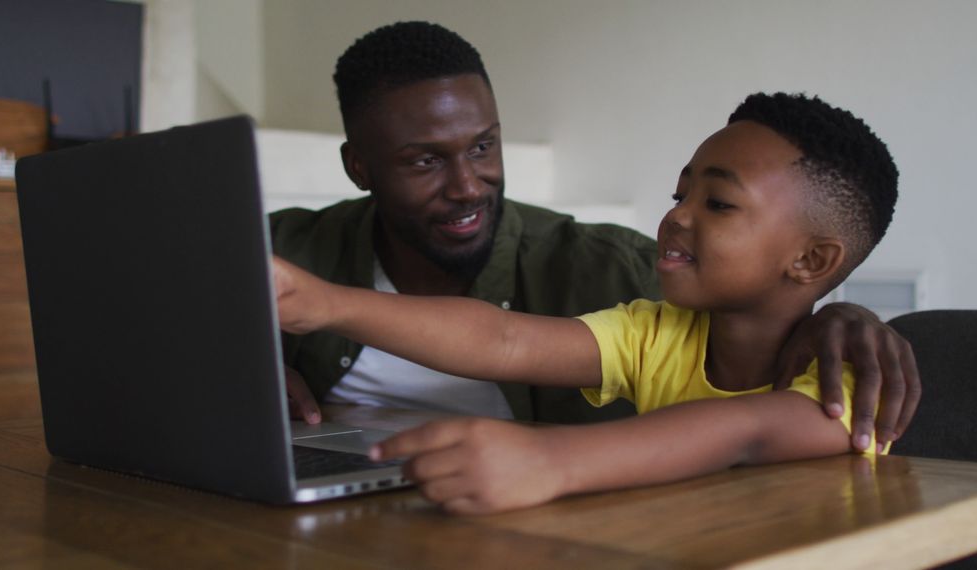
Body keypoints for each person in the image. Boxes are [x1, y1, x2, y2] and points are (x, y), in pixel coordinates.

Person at [269, 21, 919, 452]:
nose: (676, 217)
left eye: (717, 201)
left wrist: (547, 463)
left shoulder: (843, 390)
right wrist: (316, 307)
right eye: (679, 193)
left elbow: (738, 434)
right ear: (360, 167)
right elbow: (504, 338)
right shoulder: (651, 333)